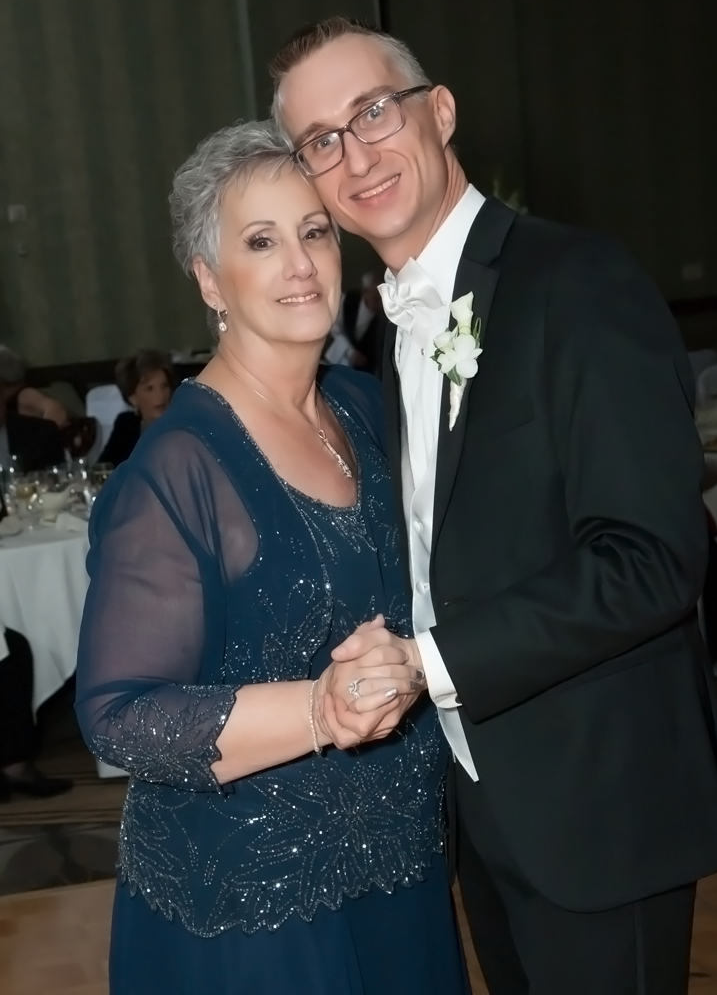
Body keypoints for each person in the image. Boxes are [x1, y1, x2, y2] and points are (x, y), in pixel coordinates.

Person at [271, 17, 717, 995]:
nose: (355, 156)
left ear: (439, 112)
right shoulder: (388, 333)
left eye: (373, 113)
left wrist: (426, 666)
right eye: (321, 141)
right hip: (481, 806)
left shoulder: (579, 280)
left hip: (598, 808)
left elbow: (653, 557)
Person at [74, 121, 469, 995]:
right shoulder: (176, 470)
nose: (299, 263)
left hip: (399, 865)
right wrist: (320, 710)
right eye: (260, 241)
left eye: (314, 231)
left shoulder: (363, 404)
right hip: (256, 909)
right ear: (209, 279)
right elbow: (118, 715)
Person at [0, 347, 71, 800]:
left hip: (27, 541)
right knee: (13, 647)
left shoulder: (34, 434)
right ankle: (14, 764)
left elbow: (57, 487)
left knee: (18, 642)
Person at [98, 350, 174, 467]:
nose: (161, 395)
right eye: (149, 389)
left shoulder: (184, 424)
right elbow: (103, 468)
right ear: (132, 397)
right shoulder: (126, 425)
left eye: (164, 386)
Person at [341, 271, 386, 375]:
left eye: (382, 301)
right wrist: (349, 351)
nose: (379, 305)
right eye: (376, 299)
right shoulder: (347, 301)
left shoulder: (384, 320)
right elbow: (334, 331)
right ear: (365, 292)